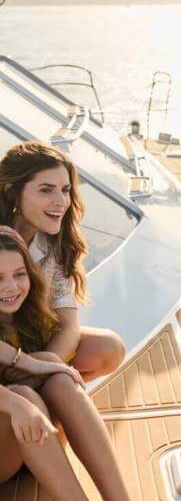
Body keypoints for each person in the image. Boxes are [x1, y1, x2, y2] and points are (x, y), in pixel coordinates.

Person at [0, 226, 169, 501]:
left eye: (18, 274)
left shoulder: (25, 311)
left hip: (22, 440)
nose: (11, 287)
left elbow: (27, 357)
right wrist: (16, 402)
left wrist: (47, 366)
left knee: (60, 378)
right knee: (24, 397)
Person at [0, 140, 125, 382]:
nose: (62, 202)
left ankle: (46, 395)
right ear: (12, 191)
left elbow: (69, 327)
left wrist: (43, 368)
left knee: (109, 348)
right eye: (46, 190)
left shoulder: (55, 245)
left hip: (30, 347)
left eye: (65, 190)